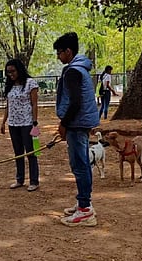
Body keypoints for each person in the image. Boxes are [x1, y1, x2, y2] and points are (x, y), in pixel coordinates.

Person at [53, 32, 100, 227]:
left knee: (79, 165)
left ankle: (85, 210)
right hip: (82, 122)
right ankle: (84, 202)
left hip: (76, 123)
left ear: (68, 51)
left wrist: (64, 124)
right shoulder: (82, 69)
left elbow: (75, 102)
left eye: (59, 52)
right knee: (82, 165)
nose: (58, 56)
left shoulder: (73, 71)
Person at [0, 59, 40, 192]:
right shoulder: (10, 86)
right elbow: (8, 105)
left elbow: (34, 104)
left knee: (31, 152)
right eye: (8, 72)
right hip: (13, 123)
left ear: (19, 70)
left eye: (13, 71)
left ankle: (34, 180)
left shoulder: (30, 83)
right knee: (18, 153)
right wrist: (3, 121)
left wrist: (35, 122)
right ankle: (20, 179)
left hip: (27, 123)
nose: (10, 74)